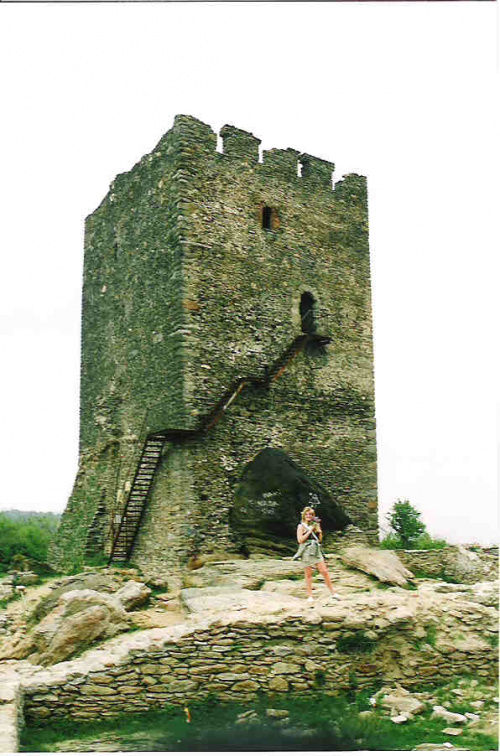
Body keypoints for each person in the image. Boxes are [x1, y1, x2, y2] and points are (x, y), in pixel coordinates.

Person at [295, 506, 341, 603]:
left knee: (324, 571)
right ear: (304, 515)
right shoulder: (301, 526)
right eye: (307, 514)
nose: (309, 516)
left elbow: (319, 540)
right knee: (308, 574)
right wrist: (309, 530)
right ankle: (310, 596)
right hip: (306, 550)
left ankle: (333, 593)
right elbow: (300, 540)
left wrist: (319, 531)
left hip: (315, 549)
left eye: (311, 514)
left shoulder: (315, 525)